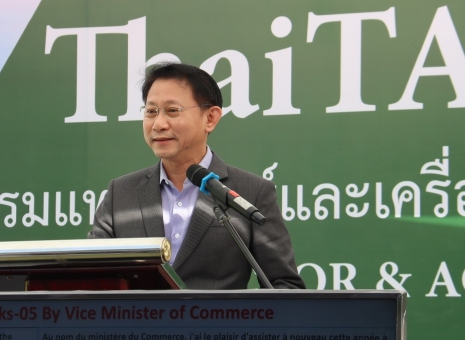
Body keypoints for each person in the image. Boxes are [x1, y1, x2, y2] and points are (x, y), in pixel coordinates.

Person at [88, 63, 305, 290]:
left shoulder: (251, 192)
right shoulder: (121, 194)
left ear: (210, 118)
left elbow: (285, 286)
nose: (158, 124)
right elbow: (91, 278)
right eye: (151, 112)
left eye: (172, 110)